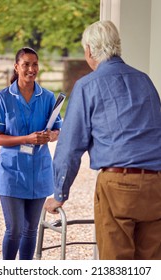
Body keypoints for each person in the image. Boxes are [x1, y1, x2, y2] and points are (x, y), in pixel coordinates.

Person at [45, 20, 161, 260]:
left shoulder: (88, 85)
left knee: (116, 265)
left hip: (118, 185)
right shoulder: (145, 81)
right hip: (155, 185)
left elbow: (70, 146)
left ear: (89, 51)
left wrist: (59, 194)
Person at [0, 47, 62, 260]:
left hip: (39, 171)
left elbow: (57, 129)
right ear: (16, 67)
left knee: (31, 230)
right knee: (15, 230)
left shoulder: (48, 97)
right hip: (11, 173)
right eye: (26, 64)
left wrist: (51, 135)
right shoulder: (3, 98)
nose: (31, 69)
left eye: (35, 64)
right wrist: (27, 139)